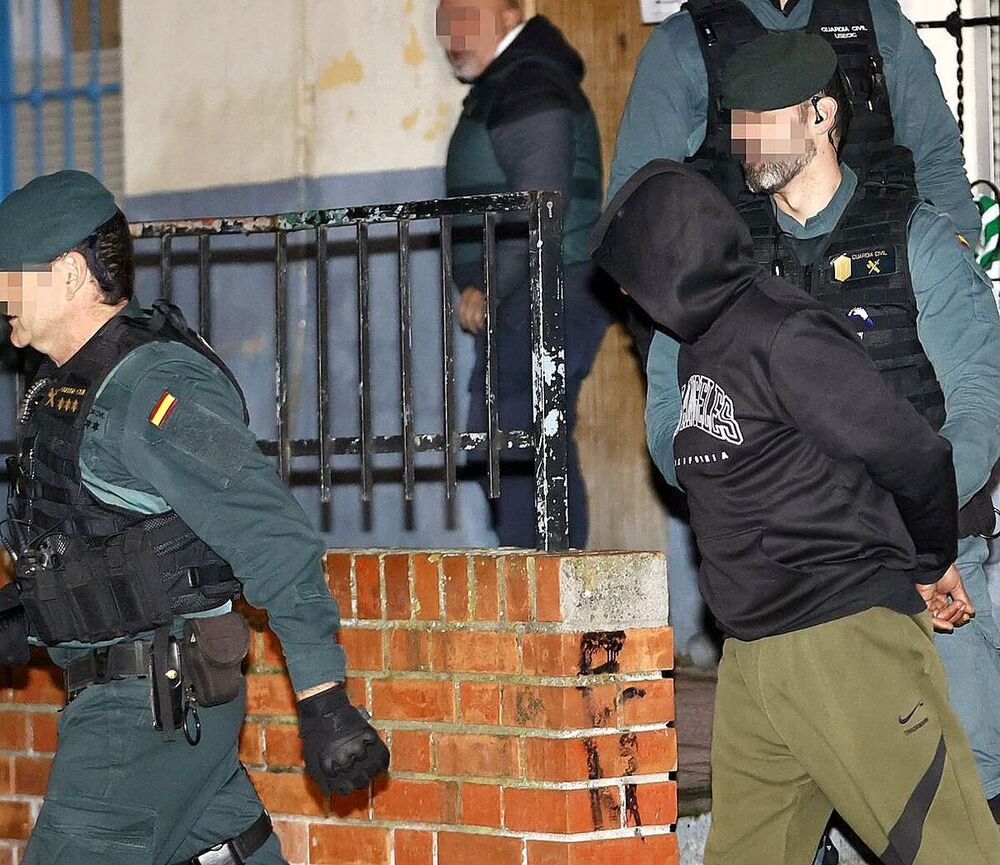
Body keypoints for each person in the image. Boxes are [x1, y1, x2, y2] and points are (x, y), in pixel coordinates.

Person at [590, 157, 1000, 865]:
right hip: (756, 659)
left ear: (669, 261)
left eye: (630, 272)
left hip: (844, 644)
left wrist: (930, 562)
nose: (626, 292)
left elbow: (914, 456)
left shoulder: (784, 332)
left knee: (954, 852)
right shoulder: (698, 348)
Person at [0, 170, 390, 865]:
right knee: (224, 847)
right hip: (150, 703)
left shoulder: (155, 387)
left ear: (68, 276)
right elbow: (102, 547)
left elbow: (270, 533)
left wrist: (324, 698)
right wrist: (30, 612)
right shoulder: (59, 393)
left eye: (10, 272)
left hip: (146, 711)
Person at [436, 0, 611, 548]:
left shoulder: (531, 79)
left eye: (465, 15)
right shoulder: (513, 79)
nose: (451, 34)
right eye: (444, 24)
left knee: (524, 440)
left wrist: (486, 284)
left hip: (547, 289)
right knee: (514, 439)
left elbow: (539, 206)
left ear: (512, 15)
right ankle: (536, 591)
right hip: (530, 291)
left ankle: (546, 595)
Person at [609, 0, 980, 241]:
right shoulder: (684, 42)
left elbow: (936, 161)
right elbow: (637, 207)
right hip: (742, 293)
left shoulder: (879, 24)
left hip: (878, 283)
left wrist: (958, 262)